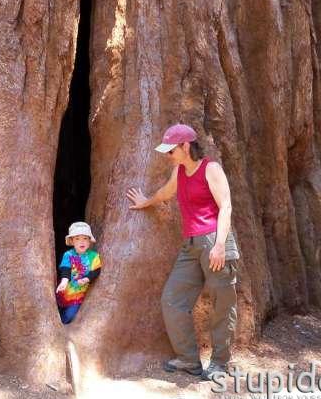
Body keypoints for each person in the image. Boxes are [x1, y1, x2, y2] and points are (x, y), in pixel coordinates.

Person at [126, 124, 240, 381]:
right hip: (190, 246)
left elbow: (226, 207)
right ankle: (189, 360)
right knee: (172, 300)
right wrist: (146, 201)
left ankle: (220, 363)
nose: (167, 155)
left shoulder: (211, 169)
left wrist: (220, 244)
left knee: (222, 304)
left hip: (214, 241)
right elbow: (167, 192)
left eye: (171, 150)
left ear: (185, 146)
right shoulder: (180, 171)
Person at [56, 221, 102, 324]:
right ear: (72, 241)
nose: (82, 242)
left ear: (89, 241)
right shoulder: (68, 255)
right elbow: (66, 270)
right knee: (57, 308)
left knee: (69, 316)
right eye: (77, 238)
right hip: (65, 290)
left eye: (85, 238)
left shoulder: (94, 256)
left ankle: (62, 325)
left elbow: (96, 270)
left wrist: (87, 278)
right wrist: (63, 282)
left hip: (78, 295)